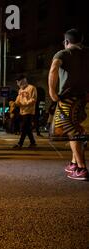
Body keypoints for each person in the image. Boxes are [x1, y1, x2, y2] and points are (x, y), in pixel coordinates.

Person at [49, 29, 89, 181]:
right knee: (79, 129)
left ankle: (81, 168)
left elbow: (53, 70)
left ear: (66, 42)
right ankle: (73, 163)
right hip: (85, 98)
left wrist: (52, 93)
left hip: (68, 98)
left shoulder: (63, 54)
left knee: (73, 132)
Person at [12, 75, 37, 149]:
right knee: (27, 128)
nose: (17, 83)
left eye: (18, 81)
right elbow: (18, 99)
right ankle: (33, 143)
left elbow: (33, 100)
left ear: (22, 81)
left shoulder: (32, 88)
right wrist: (14, 103)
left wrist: (24, 104)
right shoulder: (20, 90)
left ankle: (20, 144)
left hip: (29, 111)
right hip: (22, 111)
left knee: (23, 128)